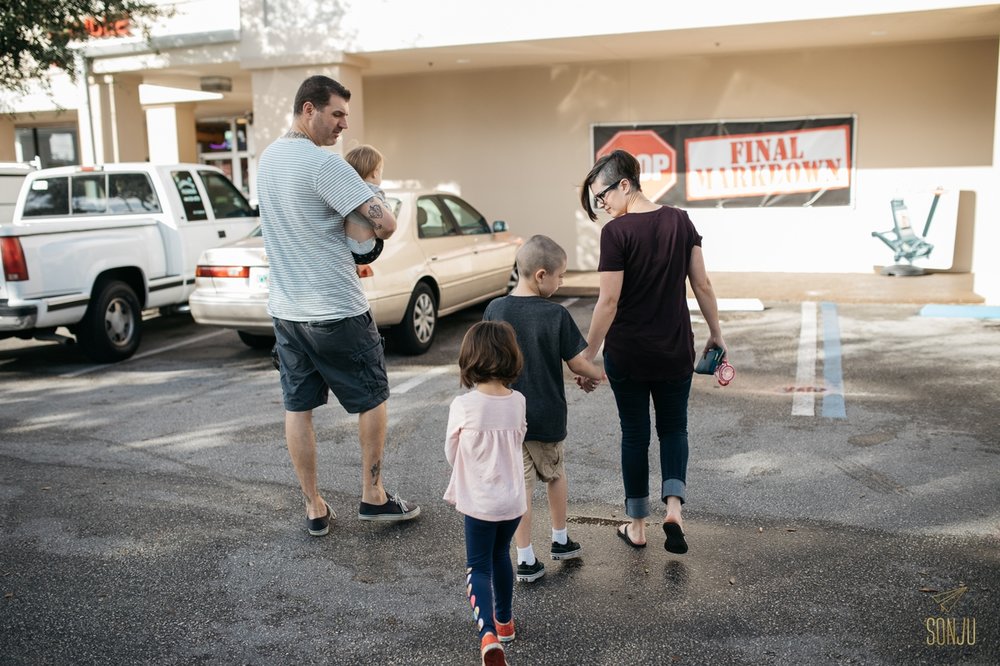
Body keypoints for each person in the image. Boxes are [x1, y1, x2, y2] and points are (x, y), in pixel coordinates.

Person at [257, 75, 420, 537]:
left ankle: (313, 506)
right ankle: (373, 496)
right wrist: (374, 200)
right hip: (336, 308)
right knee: (373, 398)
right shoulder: (325, 164)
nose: (344, 125)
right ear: (308, 109)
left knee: (298, 407)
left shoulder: (268, 160)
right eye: (337, 115)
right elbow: (384, 225)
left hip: (287, 310)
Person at [579, 149, 728, 554]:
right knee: (674, 428)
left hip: (628, 354)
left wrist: (587, 356)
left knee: (634, 435)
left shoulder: (617, 233)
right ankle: (675, 508)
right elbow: (703, 285)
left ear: (624, 183)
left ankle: (638, 526)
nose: (602, 204)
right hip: (675, 349)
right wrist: (716, 334)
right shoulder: (680, 220)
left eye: (603, 195)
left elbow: (607, 303)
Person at [483, 235, 604, 583]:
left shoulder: (495, 309)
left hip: (506, 417)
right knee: (554, 474)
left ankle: (524, 559)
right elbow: (578, 365)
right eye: (560, 275)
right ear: (540, 275)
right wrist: (599, 374)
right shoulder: (555, 314)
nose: (562, 281)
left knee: (519, 488)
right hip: (546, 415)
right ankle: (560, 540)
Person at [444, 321, 527, 666]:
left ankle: (488, 635)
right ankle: (505, 622)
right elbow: (519, 438)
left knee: (478, 566)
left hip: (480, 503)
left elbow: (451, 449)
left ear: (470, 359)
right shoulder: (518, 401)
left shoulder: (464, 405)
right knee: (500, 556)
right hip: (513, 502)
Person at [343, 144, 387, 264]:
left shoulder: (345, 190)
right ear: (375, 173)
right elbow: (385, 215)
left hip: (347, 247)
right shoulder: (374, 191)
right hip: (369, 251)